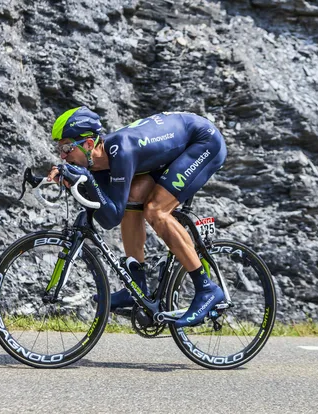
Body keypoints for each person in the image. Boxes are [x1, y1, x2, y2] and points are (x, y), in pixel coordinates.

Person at [47, 106, 227, 327]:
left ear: (89, 144)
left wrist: (86, 179)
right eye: (60, 149)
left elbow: (112, 216)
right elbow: (108, 214)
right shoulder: (98, 163)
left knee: (155, 210)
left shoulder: (122, 151)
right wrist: (76, 180)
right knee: (132, 198)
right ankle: (137, 284)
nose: (62, 156)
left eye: (66, 148)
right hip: (173, 151)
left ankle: (206, 289)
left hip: (203, 142)